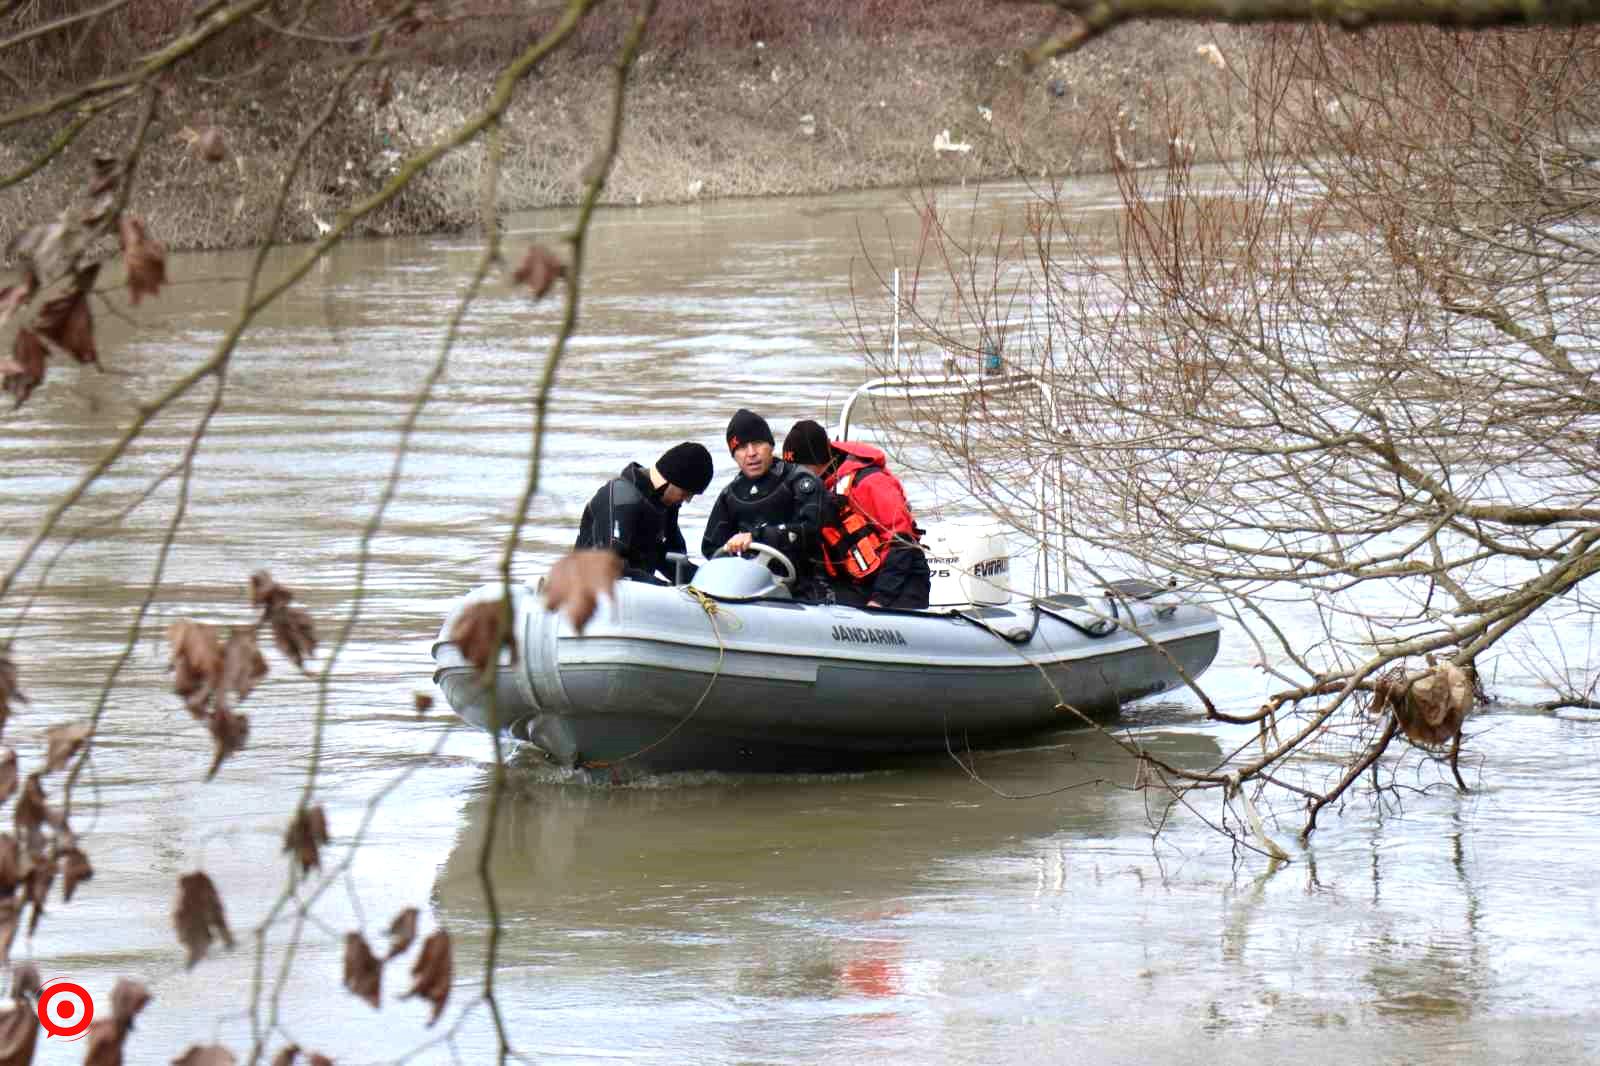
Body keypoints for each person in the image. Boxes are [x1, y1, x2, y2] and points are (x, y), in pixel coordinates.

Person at [781, 419, 931, 610]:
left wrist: (879, 601)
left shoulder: (871, 482)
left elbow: (902, 543)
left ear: (818, 463)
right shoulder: (814, 490)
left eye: (799, 469)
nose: (795, 477)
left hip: (901, 584)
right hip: (857, 582)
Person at [701, 408, 825, 593]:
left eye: (758, 444)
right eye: (742, 447)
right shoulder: (730, 495)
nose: (751, 453)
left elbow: (811, 529)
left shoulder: (800, 481)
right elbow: (711, 547)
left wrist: (757, 537)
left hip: (806, 586)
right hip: (747, 587)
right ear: (734, 455)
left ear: (771, 446)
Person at [574, 441, 713, 585]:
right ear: (669, 480)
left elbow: (672, 562)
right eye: (685, 493)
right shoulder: (622, 496)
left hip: (637, 595)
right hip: (587, 591)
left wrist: (709, 582)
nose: (687, 500)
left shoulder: (664, 506)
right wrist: (664, 588)